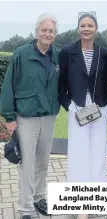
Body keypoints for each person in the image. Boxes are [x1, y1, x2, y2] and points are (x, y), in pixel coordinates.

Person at [0, 12, 60, 219]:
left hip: (49, 116)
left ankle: (39, 198)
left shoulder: (57, 56)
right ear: (37, 32)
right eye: (44, 30)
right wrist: (9, 118)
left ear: (55, 34)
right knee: (27, 163)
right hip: (26, 117)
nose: (47, 33)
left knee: (43, 161)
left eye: (51, 30)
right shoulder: (21, 54)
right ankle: (25, 208)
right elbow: (9, 85)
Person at [58, 12, 107, 219]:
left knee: (98, 153)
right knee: (79, 154)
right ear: (78, 28)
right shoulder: (67, 52)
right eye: (83, 25)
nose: (86, 28)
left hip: (101, 107)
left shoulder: (104, 53)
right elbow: (61, 84)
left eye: (90, 25)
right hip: (77, 108)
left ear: (96, 29)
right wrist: (70, 106)